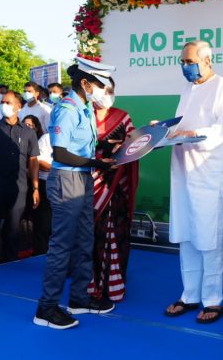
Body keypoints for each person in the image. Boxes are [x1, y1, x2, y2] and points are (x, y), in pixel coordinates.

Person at [163, 40, 223, 324]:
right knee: (188, 236)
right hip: (185, 173)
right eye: (182, 62)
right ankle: (189, 295)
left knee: (209, 239)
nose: (185, 67)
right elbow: (181, 123)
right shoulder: (188, 89)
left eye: (190, 62)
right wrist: (163, 129)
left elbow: (222, 127)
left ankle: (212, 300)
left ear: (207, 60)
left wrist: (192, 133)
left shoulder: (222, 86)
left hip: (210, 175)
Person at [34, 59, 116, 330]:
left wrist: (107, 146)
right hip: (67, 180)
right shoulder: (67, 109)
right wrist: (97, 163)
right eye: (100, 85)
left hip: (82, 178)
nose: (103, 91)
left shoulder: (85, 107)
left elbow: (84, 144)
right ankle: (46, 308)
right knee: (62, 246)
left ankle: (79, 298)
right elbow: (60, 153)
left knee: (84, 241)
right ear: (85, 83)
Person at [89, 74, 139, 302]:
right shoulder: (83, 115)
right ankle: (91, 284)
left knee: (114, 234)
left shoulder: (123, 117)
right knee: (90, 236)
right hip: (86, 183)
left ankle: (114, 285)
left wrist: (124, 148)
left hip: (115, 185)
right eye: (104, 91)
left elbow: (135, 146)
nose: (107, 96)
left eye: (111, 91)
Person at [0, 91, 39, 267]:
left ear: (19, 106)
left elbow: (33, 161)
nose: (4, 105)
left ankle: (10, 264)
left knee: (13, 229)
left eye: (8, 102)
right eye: (2, 102)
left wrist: (35, 188)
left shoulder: (29, 132)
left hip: (19, 188)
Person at [22, 115, 52, 255]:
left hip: (67, 185)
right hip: (45, 184)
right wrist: (61, 169)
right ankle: (40, 256)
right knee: (43, 224)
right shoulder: (46, 138)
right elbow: (39, 162)